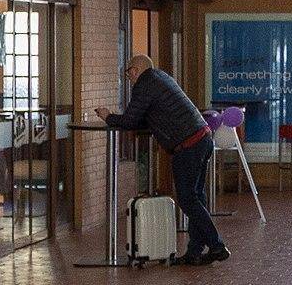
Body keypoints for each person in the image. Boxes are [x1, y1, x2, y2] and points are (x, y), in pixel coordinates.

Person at [95, 55, 229, 266]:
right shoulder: (161, 78)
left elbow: (130, 120)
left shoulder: (145, 84)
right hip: (202, 138)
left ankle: (217, 245)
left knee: (187, 199)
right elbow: (146, 115)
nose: (128, 76)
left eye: (128, 71)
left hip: (188, 145)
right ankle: (195, 251)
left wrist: (108, 116)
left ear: (137, 69)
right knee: (196, 198)